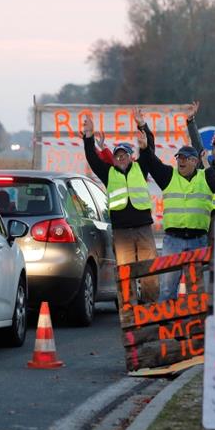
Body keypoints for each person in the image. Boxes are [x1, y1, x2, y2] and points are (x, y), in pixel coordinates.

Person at [136, 108, 215, 301]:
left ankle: (194, 329)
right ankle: (166, 328)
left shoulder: (205, 177)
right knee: (167, 289)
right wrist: (143, 131)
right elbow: (151, 159)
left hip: (198, 240)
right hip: (172, 240)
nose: (180, 162)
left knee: (195, 290)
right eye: (178, 158)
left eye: (184, 159)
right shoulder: (168, 176)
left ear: (194, 161)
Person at [81, 114, 158, 302]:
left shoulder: (141, 167)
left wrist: (143, 126)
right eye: (117, 156)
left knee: (150, 272)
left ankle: (150, 307)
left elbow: (150, 148)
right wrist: (88, 137)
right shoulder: (108, 173)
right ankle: (129, 310)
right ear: (113, 159)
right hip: (122, 233)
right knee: (126, 273)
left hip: (143, 229)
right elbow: (92, 158)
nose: (121, 158)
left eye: (124, 155)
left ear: (131, 156)